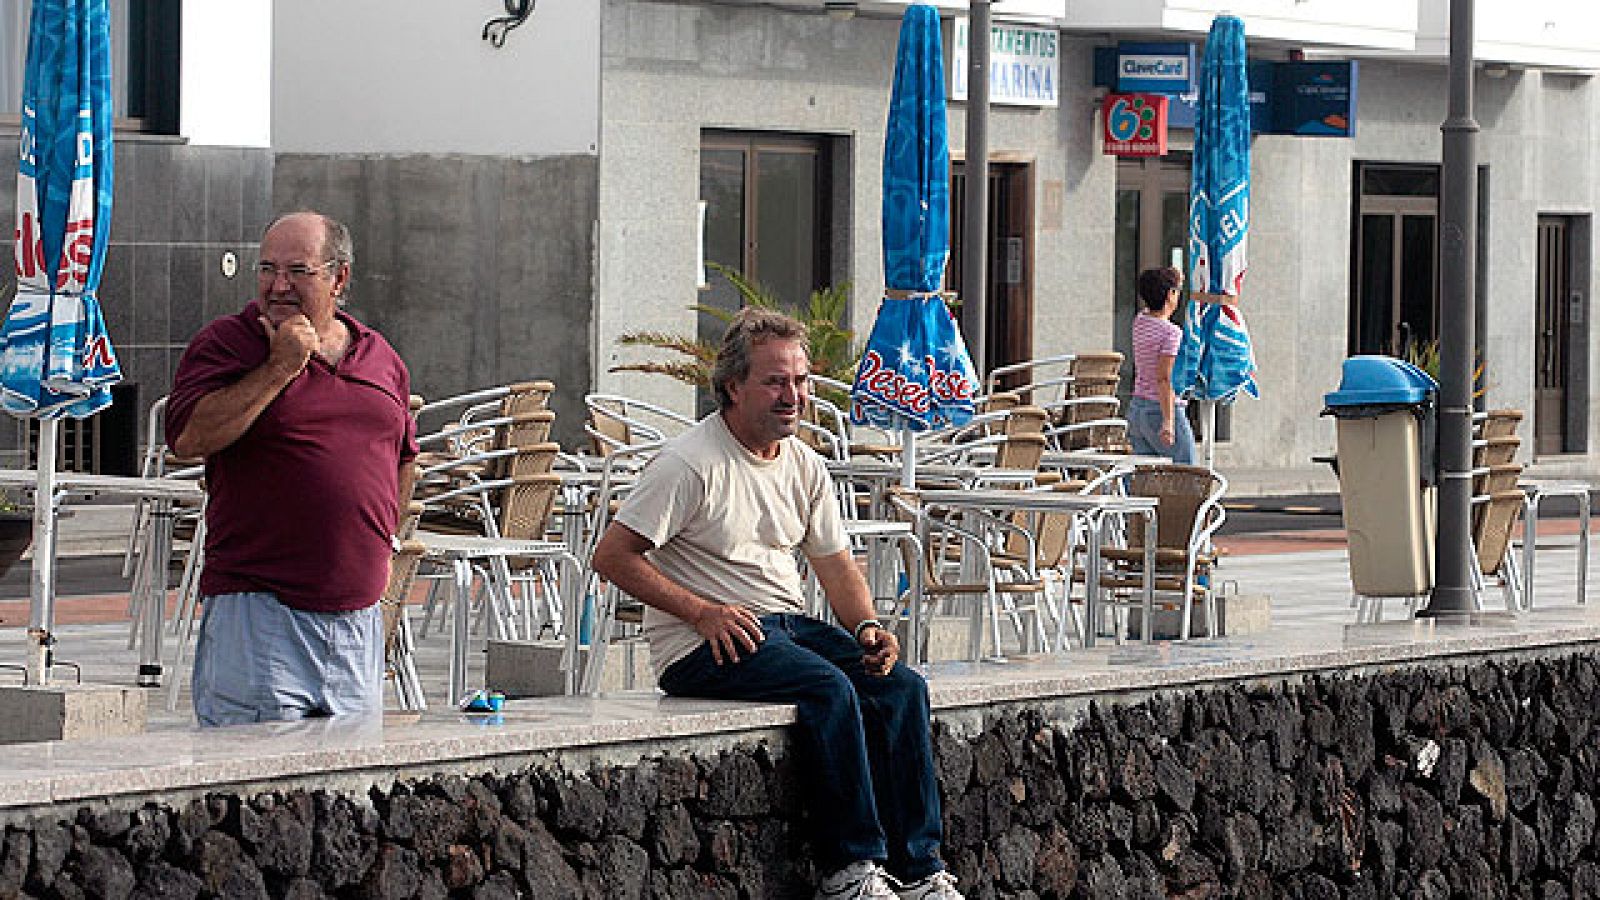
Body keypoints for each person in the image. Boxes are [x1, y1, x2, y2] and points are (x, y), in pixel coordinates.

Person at [591, 309, 962, 900]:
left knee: (900, 687)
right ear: (733, 386)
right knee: (829, 689)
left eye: (801, 381)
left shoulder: (806, 465)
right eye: (775, 381)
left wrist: (867, 625)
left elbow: (837, 566)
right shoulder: (689, 463)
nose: (793, 395)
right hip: (705, 644)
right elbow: (612, 555)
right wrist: (699, 611)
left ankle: (919, 872)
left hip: (785, 628)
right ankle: (851, 871)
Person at [166, 211, 418, 727]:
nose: (278, 286)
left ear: (338, 277)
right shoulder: (229, 344)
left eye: (298, 271)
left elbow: (403, 456)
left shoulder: (379, 357)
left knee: (350, 795)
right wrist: (280, 366)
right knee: (258, 795)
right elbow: (191, 437)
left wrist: (382, 544)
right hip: (260, 619)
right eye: (267, 269)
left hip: (357, 623)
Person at [1128, 265, 1199, 464]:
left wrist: (1174, 280)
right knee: (1187, 472)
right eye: (1176, 291)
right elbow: (1163, 378)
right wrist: (1169, 421)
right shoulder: (1171, 333)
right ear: (1170, 295)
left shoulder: (1139, 321)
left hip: (1137, 409)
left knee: (1143, 480)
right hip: (1159, 410)